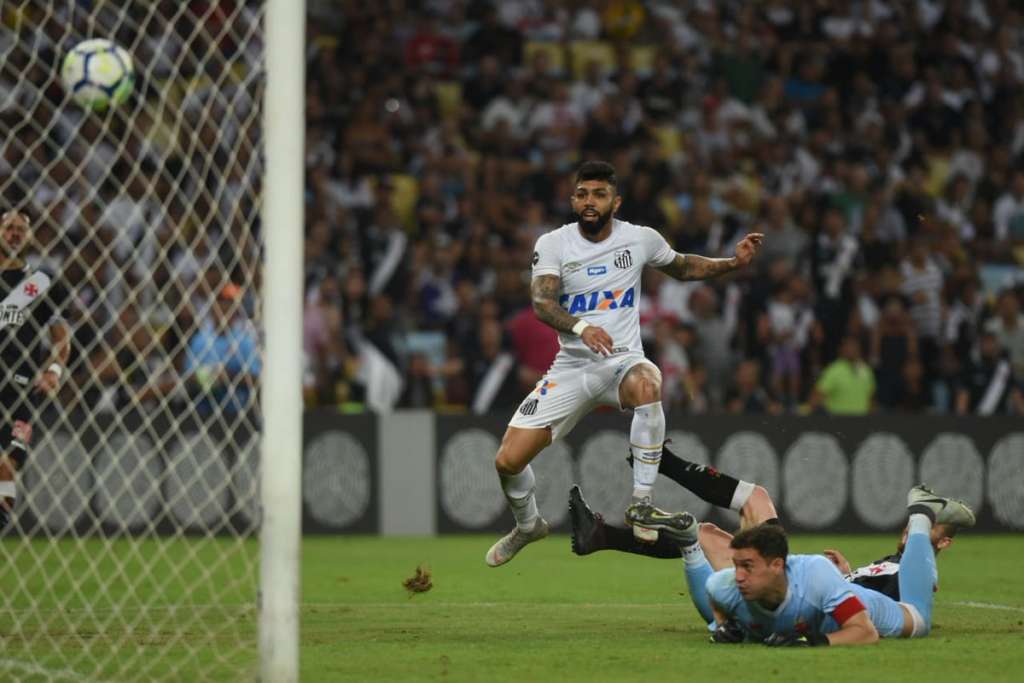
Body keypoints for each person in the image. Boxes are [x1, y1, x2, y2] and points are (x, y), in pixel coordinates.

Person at [485, 160, 763, 567]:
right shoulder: (554, 243)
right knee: (507, 461)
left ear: (616, 201)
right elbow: (543, 302)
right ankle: (528, 525)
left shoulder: (640, 239)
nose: (589, 202)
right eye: (582, 194)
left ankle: (641, 503)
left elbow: (683, 266)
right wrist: (582, 328)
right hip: (572, 367)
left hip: (621, 362)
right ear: (573, 199)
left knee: (649, 380)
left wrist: (733, 263)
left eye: (599, 194)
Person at [569, 444, 973, 602]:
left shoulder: (918, 571)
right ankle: (658, 466)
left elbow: (922, 583)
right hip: (796, 578)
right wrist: (848, 574)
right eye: (916, 525)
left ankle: (606, 532)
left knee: (707, 535)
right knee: (754, 498)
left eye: (927, 527)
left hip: (790, 592)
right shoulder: (892, 562)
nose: (913, 530)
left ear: (941, 544)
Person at [623, 484, 975, 645]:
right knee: (722, 618)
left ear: (777, 565)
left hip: (872, 610)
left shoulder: (816, 577)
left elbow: (864, 632)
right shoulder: (725, 584)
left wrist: (814, 642)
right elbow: (715, 598)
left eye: (748, 567)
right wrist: (722, 628)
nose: (738, 576)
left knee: (920, 621)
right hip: (836, 591)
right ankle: (690, 545)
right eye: (737, 565)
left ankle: (920, 512)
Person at [0, 209, 71, 529]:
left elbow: (61, 339)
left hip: (20, 387)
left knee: (9, 462)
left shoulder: (41, 283)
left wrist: (54, 370)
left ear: (30, 237)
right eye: (8, 227)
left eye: (21, 229)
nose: (14, 233)